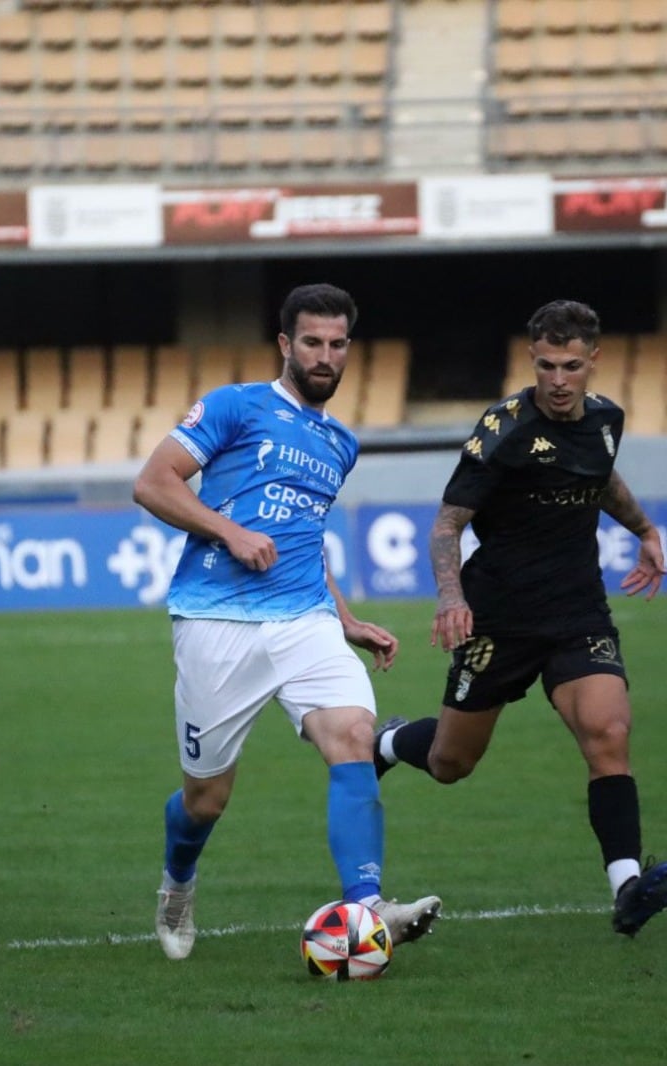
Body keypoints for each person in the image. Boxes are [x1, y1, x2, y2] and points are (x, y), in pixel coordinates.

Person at [133, 282, 442, 961]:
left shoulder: (341, 443)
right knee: (206, 799)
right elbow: (154, 482)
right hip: (218, 619)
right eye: (312, 342)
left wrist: (346, 617)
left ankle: (367, 907)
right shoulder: (234, 406)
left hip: (305, 620)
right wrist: (228, 532)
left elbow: (305, 534)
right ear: (285, 344)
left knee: (354, 733)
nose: (325, 356)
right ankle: (177, 884)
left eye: (337, 344)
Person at [372, 298, 667, 938]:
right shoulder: (503, 428)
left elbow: (602, 480)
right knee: (451, 763)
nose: (559, 380)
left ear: (593, 360)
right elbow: (448, 524)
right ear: (531, 361)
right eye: (546, 366)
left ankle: (626, 887)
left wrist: (646, 529)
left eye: (571, 366)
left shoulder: (605, 421)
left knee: (608, 733)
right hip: (499, 619)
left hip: (576, 612)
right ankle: (389, 741)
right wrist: (452, 598)